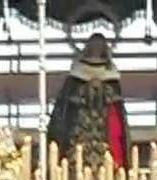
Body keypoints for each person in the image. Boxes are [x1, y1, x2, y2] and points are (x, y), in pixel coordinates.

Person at [46, 32, 129, 170]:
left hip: (105, 128)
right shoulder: (77, 73)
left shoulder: (111, 73)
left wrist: (105, 93)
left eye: (100, 45)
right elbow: (66, 105)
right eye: (94, 45)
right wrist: (84, 94)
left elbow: (116, 104)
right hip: (80, 129)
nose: (97, 48)